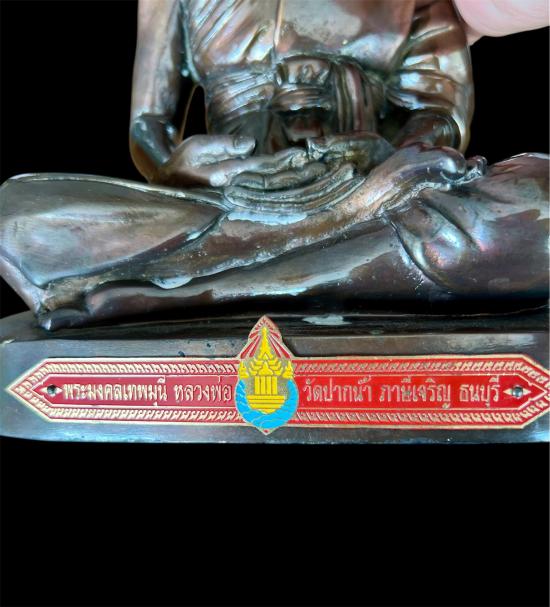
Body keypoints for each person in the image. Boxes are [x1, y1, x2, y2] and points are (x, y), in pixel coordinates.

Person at [0, 0, 547, 329]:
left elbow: (439, 113)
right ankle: (321, 261)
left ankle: (187, 291)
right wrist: (183, 169)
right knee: (14, 218)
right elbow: (149, 126)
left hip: (372, 187)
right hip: (232, 201)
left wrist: (382, 158)